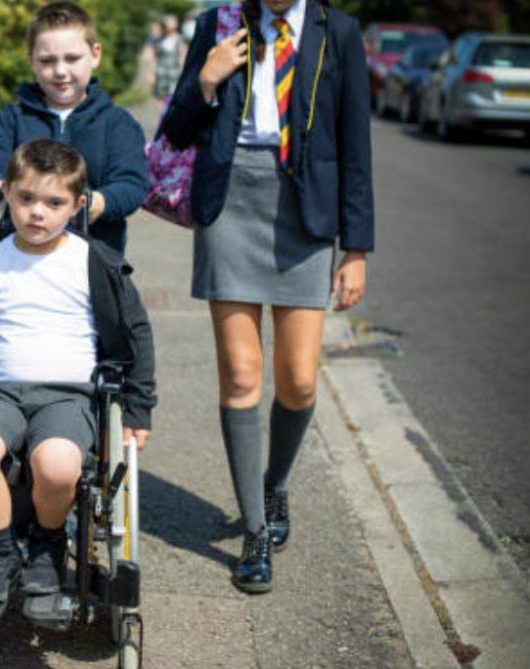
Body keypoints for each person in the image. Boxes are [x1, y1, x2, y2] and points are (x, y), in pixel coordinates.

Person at [159, 0, 372, 594]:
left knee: (299, 379)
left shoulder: (341, 33)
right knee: (242, 374)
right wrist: (206, 79)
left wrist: (355, 248)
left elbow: (356, 143)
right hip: (230, 204)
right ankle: (254, 531)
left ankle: (275, 485)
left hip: (304, 213)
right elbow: (176, 130)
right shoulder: (218, 24)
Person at [0, 139, 157, 612]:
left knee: (59, 465)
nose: (37, 212)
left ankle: (45, 547)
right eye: (26, 199)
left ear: (78, 206)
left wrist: (138, 408)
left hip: (68, 396)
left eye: (54, 202)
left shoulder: (94, 263)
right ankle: (1, 553)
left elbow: (136, 334)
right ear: (6, 194)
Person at [0, 1, 148, 255]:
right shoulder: (11, 118)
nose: (61, 71)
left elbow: (132, 183)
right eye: (47, 61)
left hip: (92, 259)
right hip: (17, 256)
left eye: (72, 58)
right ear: (31, 61)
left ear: (95, 55)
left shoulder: (118, 124)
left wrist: (100, 202)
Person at [150, 15, 185, 101]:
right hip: (161, 73)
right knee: (161, 97)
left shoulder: (179, 39)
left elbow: (182, 57)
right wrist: (151, 73)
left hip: (175, 73)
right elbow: (154, 57)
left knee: (174, 97)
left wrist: (183, 73)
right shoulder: (159, 40)